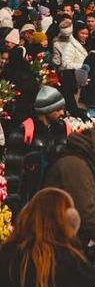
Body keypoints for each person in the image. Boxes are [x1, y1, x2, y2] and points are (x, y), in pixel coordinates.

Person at [44, 125, 95, 247]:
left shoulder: (86, 163)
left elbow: (93, 213)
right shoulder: (76, 166)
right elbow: (86, 219)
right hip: (57, 242)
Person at [4, 86, 70, 216]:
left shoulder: (64, 129)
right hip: (30, 202)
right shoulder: (24, 131)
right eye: (58, 109)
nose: (63, 113)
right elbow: (12, 169)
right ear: (46, 109)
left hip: (57, 200)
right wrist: (13, 203)